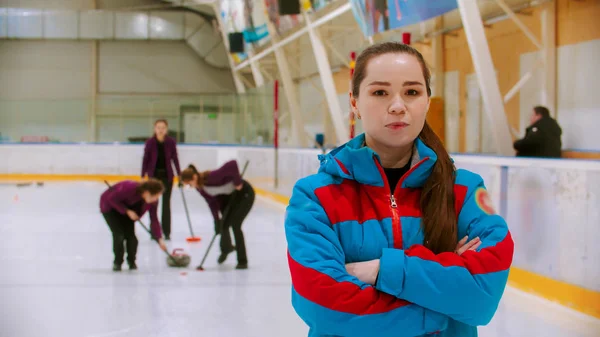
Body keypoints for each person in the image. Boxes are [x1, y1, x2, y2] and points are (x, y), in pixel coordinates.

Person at [284, 42, 514, 337]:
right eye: (380, 92)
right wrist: (442, 307)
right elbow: (324, 305)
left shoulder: (465, 191)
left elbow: (483, 294)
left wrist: (381, 270)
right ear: (354, 103)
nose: (397, 106)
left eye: (412, 92)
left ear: (427, 101)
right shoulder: (315, 197)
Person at [180, 160, 254, 270]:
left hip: (244, 194)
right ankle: (226, 248)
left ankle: (242, 261)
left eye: (189, 184)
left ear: (194, 177)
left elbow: (232, 164)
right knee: (223, 225)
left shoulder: (211, 177)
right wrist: (216, 220)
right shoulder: (200, 188)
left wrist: (238, 182)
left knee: (235, 224)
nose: (190, 187)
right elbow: (212, 203)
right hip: (231, 198)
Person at [100, 179, 167, 271]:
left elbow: (154, 219)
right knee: (119, 235)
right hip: (110, 208)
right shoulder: (129, 188)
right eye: (154, 196)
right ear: (147, 192)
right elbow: (111, 199)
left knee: (131, 237)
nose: (155, 199)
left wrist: (159, 238)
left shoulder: (153, 201)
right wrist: (127, 211)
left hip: (129, 211)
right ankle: (117, 262)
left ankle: (131, 261)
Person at [141, 119, 182, 240]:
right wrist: (143, 175)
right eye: (158, 127)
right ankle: (154, 231)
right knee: (153, 204)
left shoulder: (171, 142)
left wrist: (179, 174)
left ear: (166, 129)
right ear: (155, 128)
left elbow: (175, 158)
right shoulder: (150, 142)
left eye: (163, 127)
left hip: (167, 176)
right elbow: (146, 159)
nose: (160, 130)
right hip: (153, 177)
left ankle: (167, 232)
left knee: (166, 204)